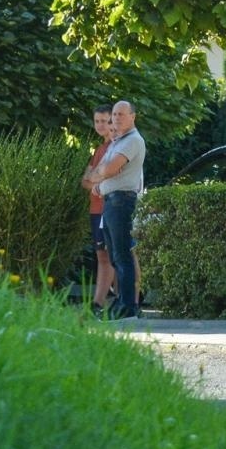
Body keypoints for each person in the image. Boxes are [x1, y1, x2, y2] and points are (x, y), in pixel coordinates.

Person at [89, 100, 146, 319]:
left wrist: (102, 173)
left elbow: (109, 168)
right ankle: (122, 302)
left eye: (122, 114)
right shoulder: (117, 141)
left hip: (121, 202)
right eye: (114, 114)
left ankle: (129, 306)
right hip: (111, 201)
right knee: (115, 256)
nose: (117, 118)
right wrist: (102, 175)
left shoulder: (131, 141)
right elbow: (95, 174)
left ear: (133, 117)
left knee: (122, 256)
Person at [81, 105, 115, 315]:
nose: (101, 125)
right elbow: (85, 180)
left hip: (109, 207)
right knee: (101, 255)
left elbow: (102, 177)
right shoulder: (99, 149)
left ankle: (105, 302)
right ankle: (99, 303)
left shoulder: (116, 148)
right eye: (98, 121)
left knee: (113, 255)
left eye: (105, 120)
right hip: (95, 208)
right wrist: (95, 181)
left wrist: (95, 179)